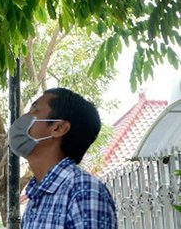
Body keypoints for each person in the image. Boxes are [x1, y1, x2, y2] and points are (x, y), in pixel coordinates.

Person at [9, 87, 118, 228]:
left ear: (58, 128)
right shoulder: (36, 196)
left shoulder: (84, 192)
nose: (25, 117)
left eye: (34, 108)